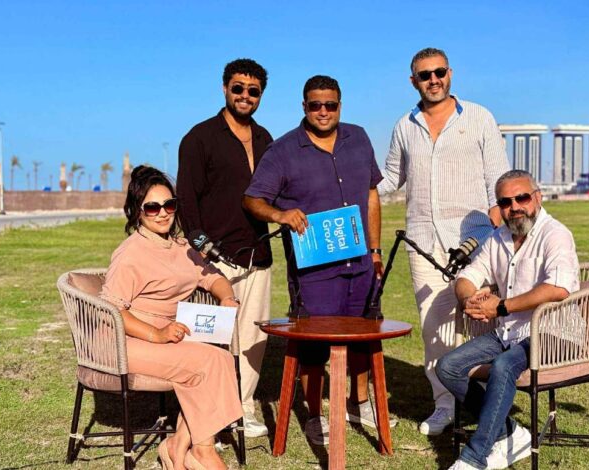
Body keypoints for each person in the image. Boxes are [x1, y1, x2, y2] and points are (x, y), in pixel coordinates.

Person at [244, 75, 389, 446]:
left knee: (363, 337)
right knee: (312, 346)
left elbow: (371, 195)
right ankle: (314, 414)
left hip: (361, 264)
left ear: (340, 105)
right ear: (304, 106)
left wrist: (375, 250)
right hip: (314, 272)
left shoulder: (359, 138)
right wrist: (280, 215)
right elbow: (253, 199)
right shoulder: (282, 151)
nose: (323, 112)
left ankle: (359, 403)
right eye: (315, 105)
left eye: (330, 105)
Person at [377, 47, 510, 435]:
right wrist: (346, 188)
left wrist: (498, 232)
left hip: (475, 239)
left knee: (481, 322)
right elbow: (390, 178)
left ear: (450, 73)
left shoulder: (479, 117)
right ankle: (444, 405)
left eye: (439, 72)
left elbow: (498, 180)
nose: (433, 80)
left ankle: (488, 401)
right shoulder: (405, 126)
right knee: (434, 327)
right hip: (423, 242)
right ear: (413, 81)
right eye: (424, 75)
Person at [436, 170, 580, 470]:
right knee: (448, 366)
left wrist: (501, 307)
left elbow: (558, 288)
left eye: (521, 198)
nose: (514, 207)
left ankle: (473, 458)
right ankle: (509, 432)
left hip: (553, 334)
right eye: (505, 202)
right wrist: (468, 300)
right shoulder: (497, 238)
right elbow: (467, 277)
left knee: (503, 366)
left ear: (537, 198)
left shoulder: (555, 234)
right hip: (510, 332)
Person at [101, 166, 242, 470]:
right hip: (127, 340)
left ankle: (179, 445)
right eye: (153, 207)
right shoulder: (130, 254)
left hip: (169, 335)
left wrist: (226, 297)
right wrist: (157, 334)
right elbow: (112, 311)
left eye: (169, 205)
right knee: (208, 362)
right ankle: (201, 451)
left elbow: (213, 277)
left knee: (218, 358)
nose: (163, 213)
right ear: (137, 211)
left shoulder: (183, 247)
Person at [176, 58, 273, 437]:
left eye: (253, 91)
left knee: (253, 341)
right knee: (210, 342)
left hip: (258, 255)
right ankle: (209, 418)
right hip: (214, 260)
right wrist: (202, 246)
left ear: (261, 95)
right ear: (225, 89)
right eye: (238, 88)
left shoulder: (265, 139)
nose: (245, 96)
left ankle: (244, 408)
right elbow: (186, 201)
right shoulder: (199, 138)